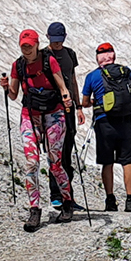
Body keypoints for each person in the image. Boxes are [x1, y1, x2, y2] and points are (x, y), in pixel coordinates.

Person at [0, 29, 76, 232]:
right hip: (30, 115)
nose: (26, 49)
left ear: (36, 45)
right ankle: (35, 209)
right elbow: (14, 95)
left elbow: (62, 86)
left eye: (29, 46)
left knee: (55, 162)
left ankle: (67, 202)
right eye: (23, 46)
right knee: (31, 162)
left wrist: (68, 98)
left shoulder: (48, 61)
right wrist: (6, 87)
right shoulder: (19, 65)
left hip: (54, 113)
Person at [81, 42, 131, 212]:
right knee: (127, 161)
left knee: (107, 163)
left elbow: (85, 102)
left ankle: (110, 201)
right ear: (113, 56)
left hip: (104, 122)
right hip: (126, 121)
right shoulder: (126, 72)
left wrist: (94, 102)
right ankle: (130, 201)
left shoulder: (92, 76)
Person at [43, 22, 85, 209]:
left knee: (67, 150)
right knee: (55, 151)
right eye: (54, 41)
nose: (57, 44)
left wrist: (78, 106)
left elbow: (73, 79)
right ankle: (55, 194)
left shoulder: (70, 54)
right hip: (51, 109)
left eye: (59, 41)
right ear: (48, 37)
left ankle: (68, 196)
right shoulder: (43, 56)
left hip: (68, 109)